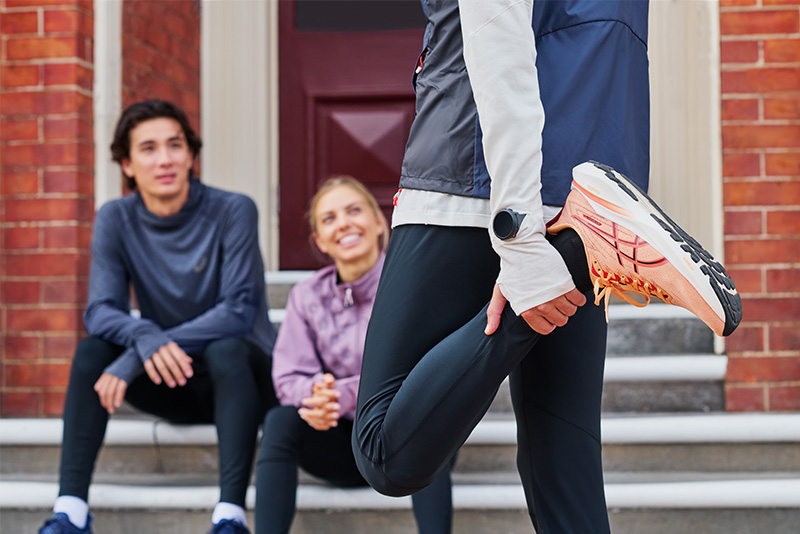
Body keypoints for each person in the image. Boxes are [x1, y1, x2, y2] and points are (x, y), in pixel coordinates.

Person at [351, 1, 742, 533]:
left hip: (476, 182)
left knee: (384, 451)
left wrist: (520, 239)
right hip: (590, 196)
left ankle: (566, 266)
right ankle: (585, 246)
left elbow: (497, 38)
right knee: (566, 483)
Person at [38, 99, 277, 534]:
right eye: (148, 149)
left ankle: (230, 518)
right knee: (93, 352)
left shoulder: (233, 210)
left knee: (226, 349)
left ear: (191, 155)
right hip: (173, 379)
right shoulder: (115, 218)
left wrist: (134, 356)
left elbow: (238, 312)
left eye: (175, 145)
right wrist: (146, 336)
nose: (164, 159)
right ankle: (69, 513)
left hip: (244, 382)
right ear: (127, 164)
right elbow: (100, 311)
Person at [255, 176, 454, 534]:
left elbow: (425, 374)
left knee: (427, 415)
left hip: (405, 447)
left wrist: (346, 395)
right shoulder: (306, 296)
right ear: (320, 241)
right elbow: (288, 377)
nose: (343, 223)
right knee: (279, 421)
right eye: (329, 218)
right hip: (339, 445)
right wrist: (319, 396)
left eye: (353, 210)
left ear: (380, 223)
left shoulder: (414, 285)